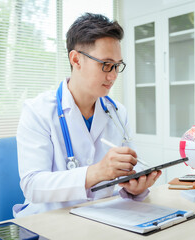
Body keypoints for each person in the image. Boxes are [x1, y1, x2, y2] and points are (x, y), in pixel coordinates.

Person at [13, 13, 162, 218]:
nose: (112, 76)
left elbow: (124, 178)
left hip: (105, 217)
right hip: (52, 220)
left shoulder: (117, 112)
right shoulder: (37, 111)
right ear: (76, 60)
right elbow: (32, 186)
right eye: (106, 64)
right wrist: (97, 172)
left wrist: (134, 187)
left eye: (117, 66)